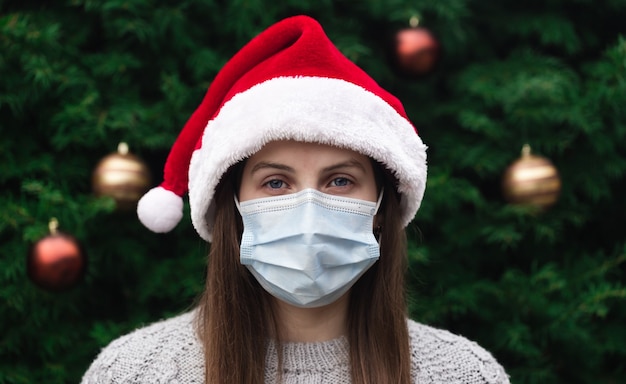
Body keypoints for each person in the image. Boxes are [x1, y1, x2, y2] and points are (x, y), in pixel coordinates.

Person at [81, 15, 510, 384]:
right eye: (275, 183)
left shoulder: (463, 373)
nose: (309, 209)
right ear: (232, 204)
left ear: (382, 207)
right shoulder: (134, 372)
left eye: (340, 181)